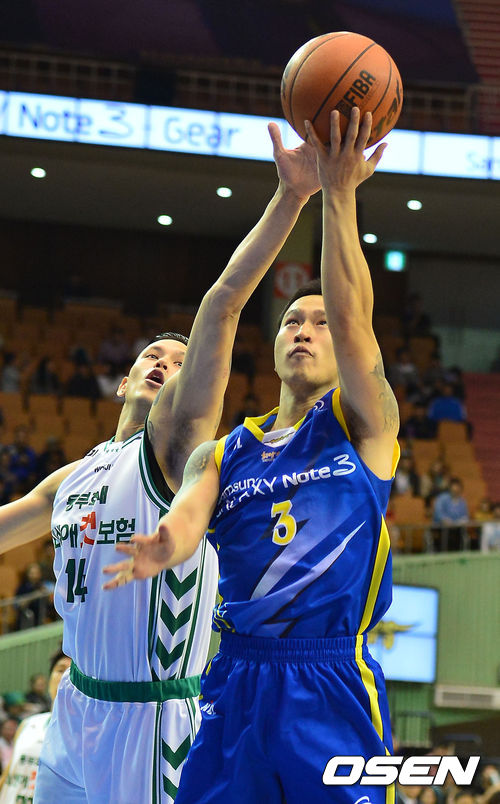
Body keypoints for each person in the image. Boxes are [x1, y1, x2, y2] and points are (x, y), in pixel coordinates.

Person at [0, 124, 320, 804]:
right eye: (153, 355)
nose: (165, 364)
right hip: (74, 706)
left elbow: (222, 305)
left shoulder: (177, 451)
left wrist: (291, 198)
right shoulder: (74, 477)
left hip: (149, 718)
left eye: (179, 362)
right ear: (122, 381)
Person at [105, 109, 400, 804]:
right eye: (292, 320)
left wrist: (338, 190)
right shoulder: (225, 451)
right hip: (235, 677)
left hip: (328, 680)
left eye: (319, 323)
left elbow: (354, 319)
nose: (305, 330)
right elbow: (187, 517)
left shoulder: (364, 424)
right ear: (272, 346)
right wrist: (165, 544)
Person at [0, 650, 71, 803]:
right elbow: (9, 774)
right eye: (60, 670)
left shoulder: (86, 736)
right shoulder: (29, 723)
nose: (65, 677)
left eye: (72, 672)